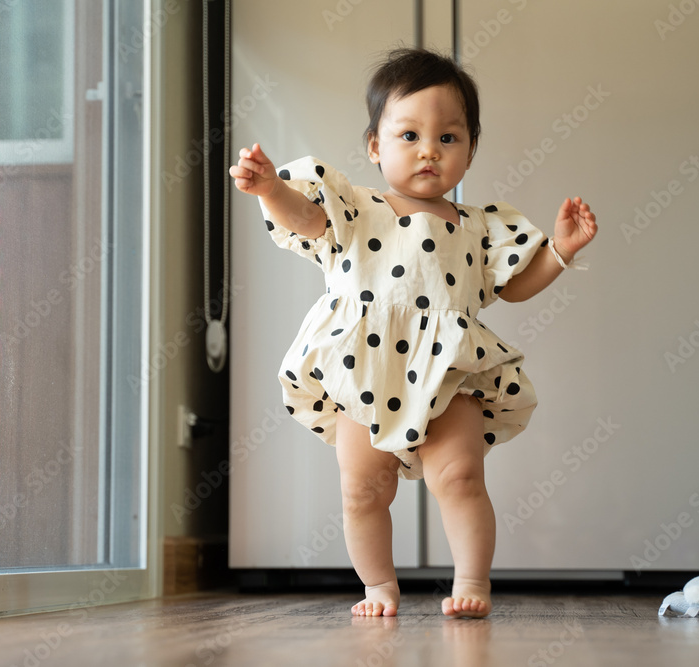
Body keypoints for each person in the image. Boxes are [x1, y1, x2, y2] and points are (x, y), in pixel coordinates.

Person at [229, 47, 597, 618]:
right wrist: (271, 189)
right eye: (409, 135)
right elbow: (304, 218)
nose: (429, 150)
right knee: (362, 489)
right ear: (375, 146)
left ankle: (472, 581)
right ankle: (378, 586)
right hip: (362, 368)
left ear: (470, 151)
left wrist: (560, 253)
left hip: (451, 370)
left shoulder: (479, 227)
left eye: (449, 138)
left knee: (460, 476)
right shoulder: (353, 208)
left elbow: (516, 285)